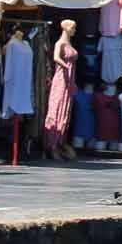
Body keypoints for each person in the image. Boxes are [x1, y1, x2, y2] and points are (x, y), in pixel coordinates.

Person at [42, 20, 80, 161]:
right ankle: (51, 144)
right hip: (61, 79)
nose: (74, 30)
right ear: (66, 28)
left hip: (69, 80)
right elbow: (56, 57)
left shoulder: (69, 43)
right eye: (73, 28)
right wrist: (65, 66)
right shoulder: (60, 43)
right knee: (56, 109)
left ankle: (60, 143)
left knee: (65, 111)